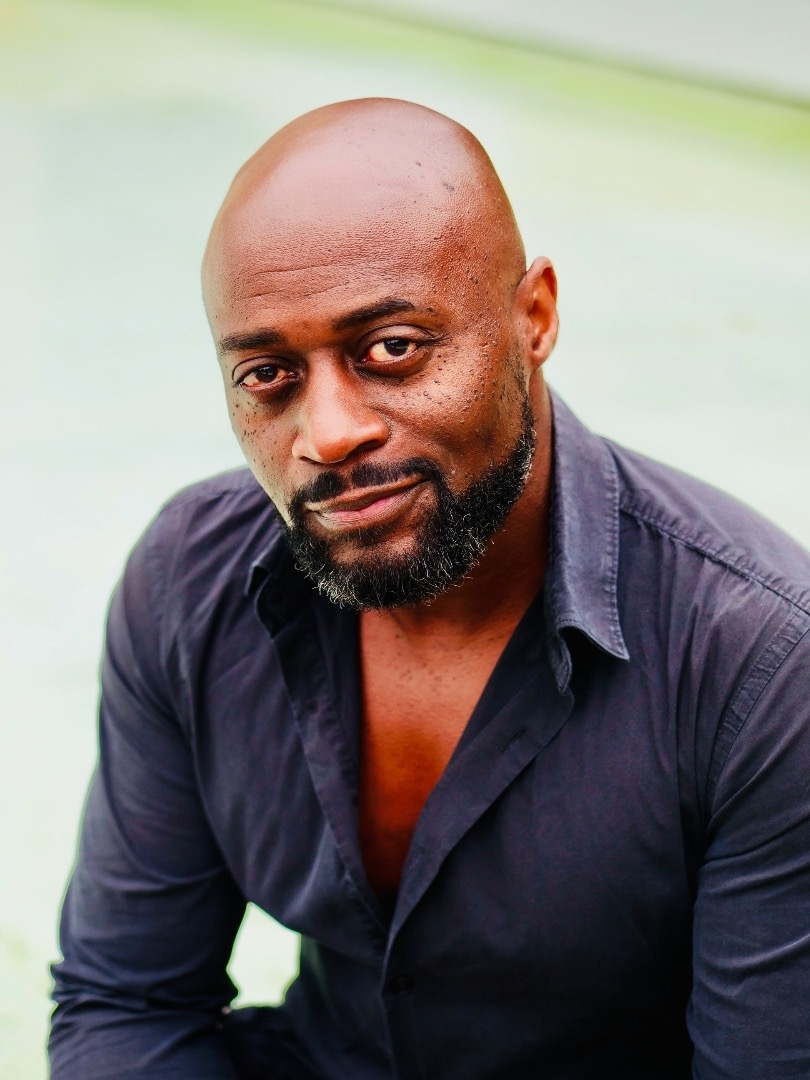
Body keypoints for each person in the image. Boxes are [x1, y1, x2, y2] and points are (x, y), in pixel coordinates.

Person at [49, 98, 810, 1080]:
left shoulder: (761, 665)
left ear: (533, 318)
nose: (329, 434)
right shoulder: (191, 580)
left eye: (393, 348)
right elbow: (129, 1003)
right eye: (270, 374)